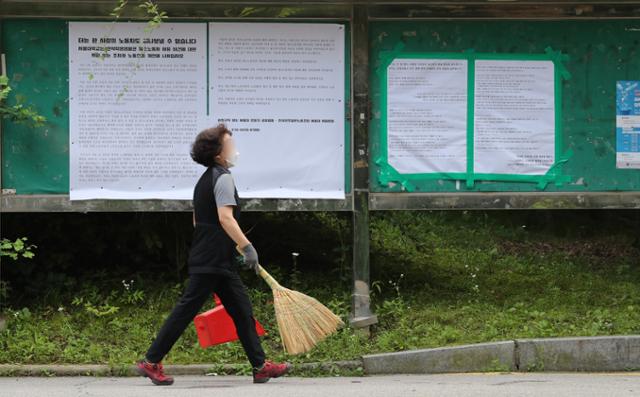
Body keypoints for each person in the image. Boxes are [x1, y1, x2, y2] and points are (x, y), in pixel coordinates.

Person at [136, 124, 291, 385]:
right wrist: (247, 247)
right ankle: (151, 361)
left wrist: (226, 247)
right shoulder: (223, 178)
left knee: (242, 310)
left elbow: (199, 220)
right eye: (230, 144)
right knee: (186, 310)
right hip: (212, 260)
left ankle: (260, 366)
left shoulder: (205, 179)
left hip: (215, 257)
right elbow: (225, 218)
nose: (234, 150)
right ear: (219, 154)